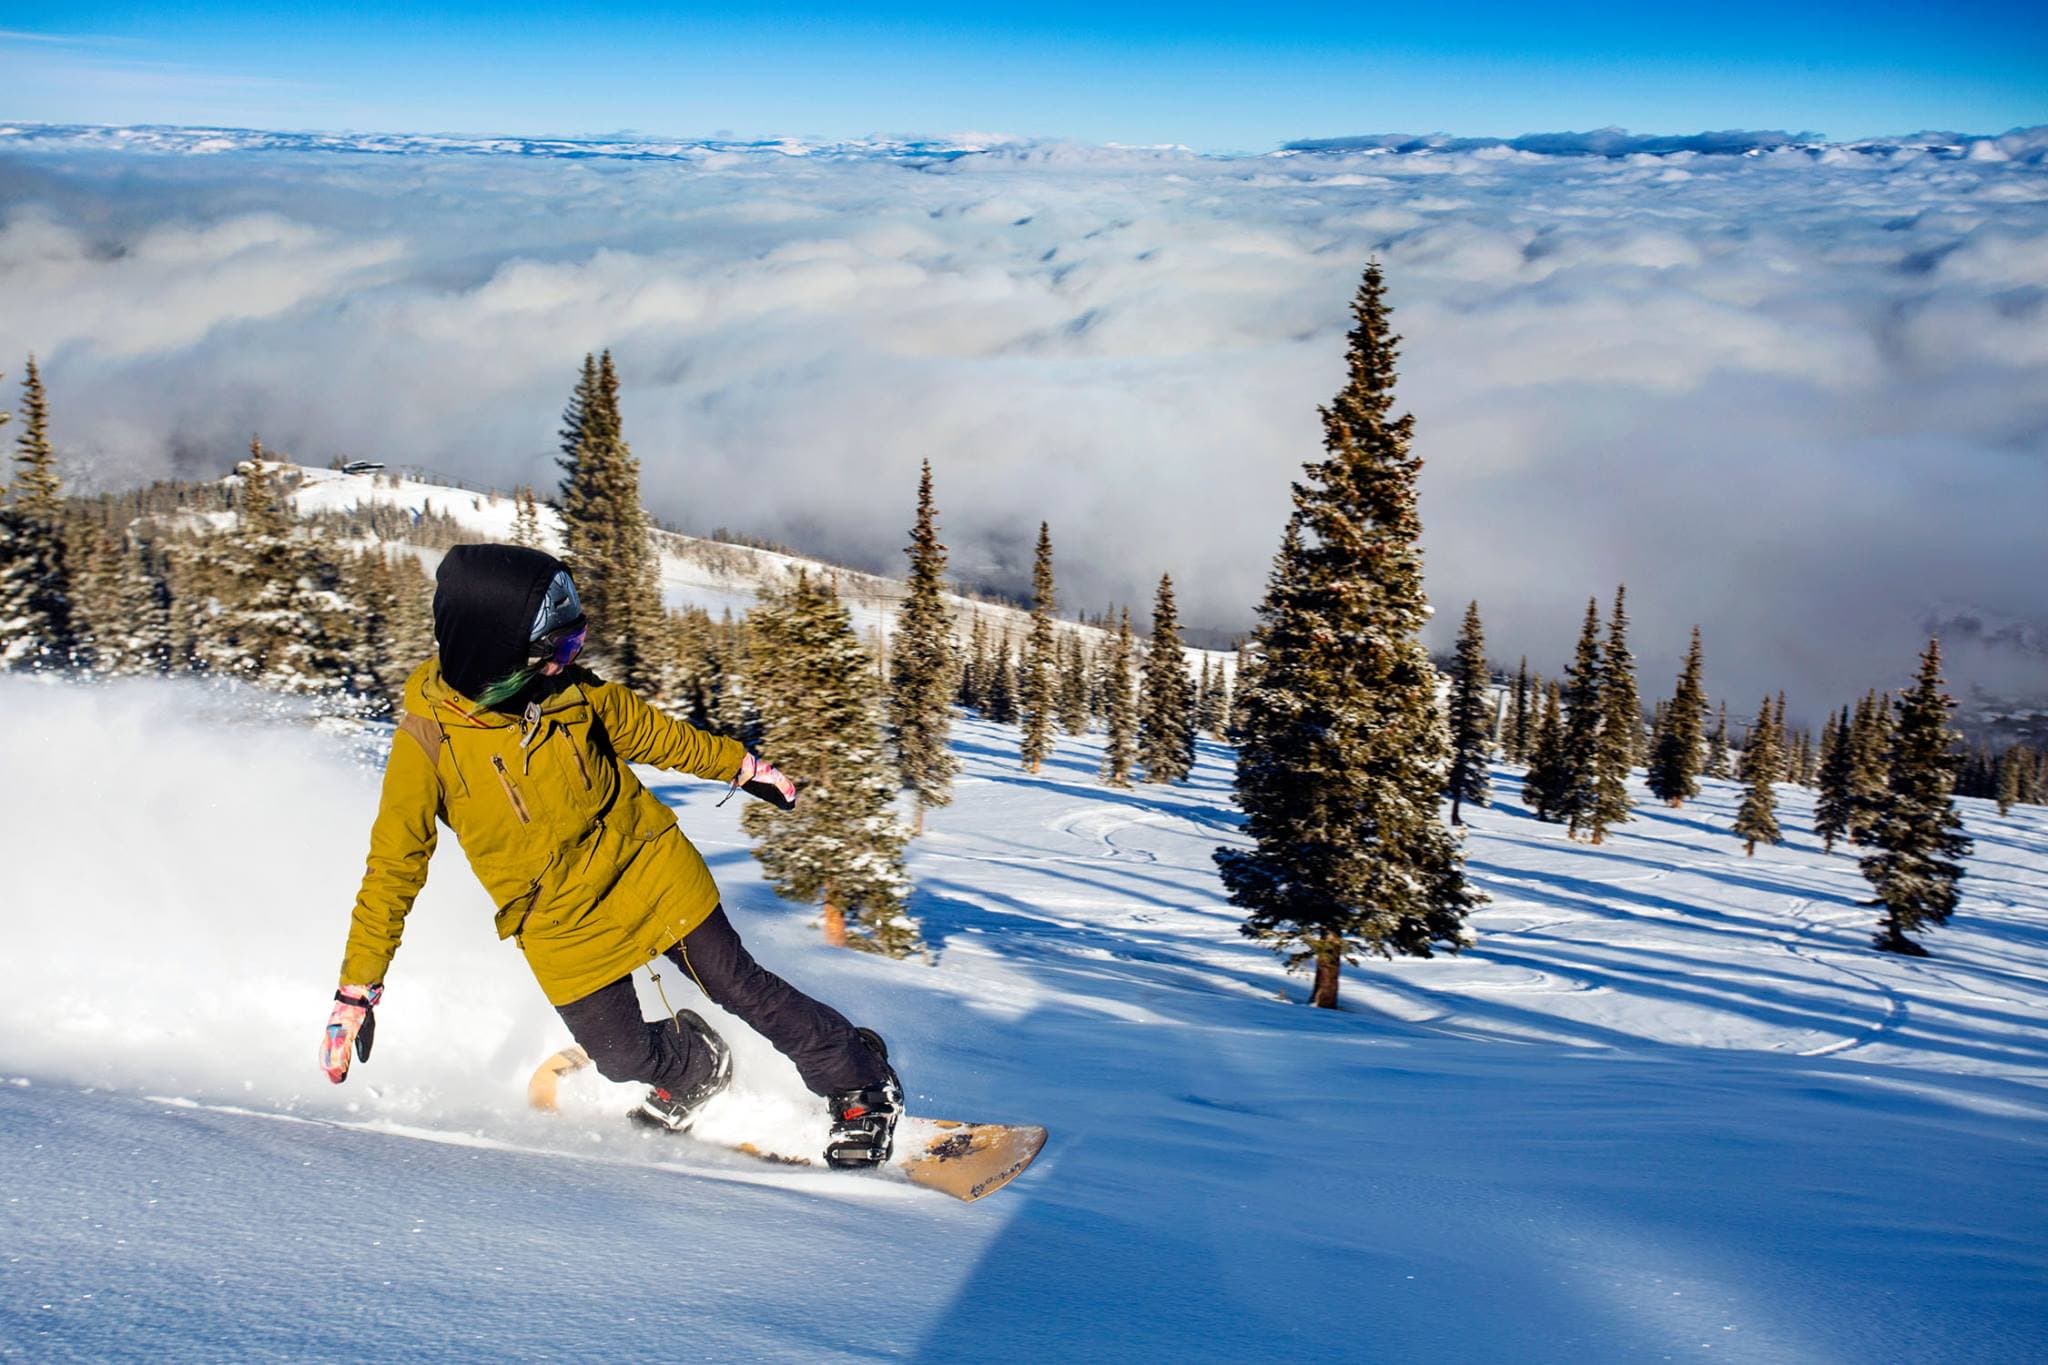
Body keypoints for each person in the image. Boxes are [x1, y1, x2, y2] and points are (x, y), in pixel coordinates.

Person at [321, 543, 903, 1168]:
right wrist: (358, 987)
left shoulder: (569, 693)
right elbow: (394, 868)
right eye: (556, 648)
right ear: (493, 652)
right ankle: (694, 1066)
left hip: (644, 864)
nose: (568, 661)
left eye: (573, 645)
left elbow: (654, 733)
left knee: (738, 984)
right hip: (557, 918)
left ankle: (860, 1082)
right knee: (620, 1056)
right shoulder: (426, 746)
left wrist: (740, 766)